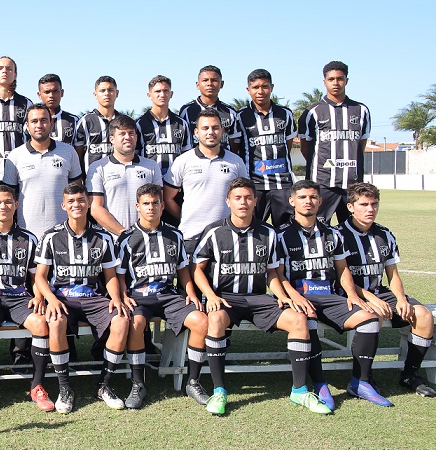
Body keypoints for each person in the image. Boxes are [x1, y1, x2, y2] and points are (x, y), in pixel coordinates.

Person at [191, 178, 331, 416]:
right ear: (228, 202)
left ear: (256, 201)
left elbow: (272, 273)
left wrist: (283, 296)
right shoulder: (214, 231)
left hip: (258, 298)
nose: (243, 202)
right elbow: (197, 269)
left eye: (247, 198)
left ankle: (299, 390)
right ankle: (219, 391)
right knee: (214, 320)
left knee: (298, 320)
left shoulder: (268, 233)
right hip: (226, 298)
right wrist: (210, 295)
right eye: (237, 198)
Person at [276, 180, 388, 408]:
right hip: (299, 297)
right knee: (308, 322)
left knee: (369, 319)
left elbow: (342, 269)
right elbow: (277, 275)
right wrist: (294, 296)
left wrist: (353, 295)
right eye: (303, 197)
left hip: (330, 296)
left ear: (320, 201)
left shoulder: (333, 234)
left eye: (313, 197)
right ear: (292, 201)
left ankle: (361, 382)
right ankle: (320, 383)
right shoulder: (280, 235)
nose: (308, 201)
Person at [33, 182, 126, 413]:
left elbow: (111, 275)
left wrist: (115, 297)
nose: (77, 205)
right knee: (55, 322)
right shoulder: (51, 236)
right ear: (64, 205)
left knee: (122, 320)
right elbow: (40, 278)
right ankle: (65, 388)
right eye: (71, 201)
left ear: (88, 203)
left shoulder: (103, 237)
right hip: (62, 298)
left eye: (81, 200)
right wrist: (51, 300)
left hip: (93, 298)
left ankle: (104, 385)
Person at [114, 184, 210, 406]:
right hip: (139, 296)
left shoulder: (174, 235)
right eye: (146, 204)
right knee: (136, 324)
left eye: (155, 203)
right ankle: (138, 385)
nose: (151, 208)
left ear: (163, 205)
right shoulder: (127, 238)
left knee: (201, 321)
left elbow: (183, 270)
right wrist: (122, 294)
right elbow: (118, 274)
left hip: (168, 295)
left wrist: (191, 293)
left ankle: (193, 382)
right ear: (137, 207)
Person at [337, 182, 436, 397]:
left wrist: (400, 298)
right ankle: (365, 376)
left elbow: (393, 274)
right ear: (351, 207)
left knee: (424, 316)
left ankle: (410, 375)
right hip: (347, 294)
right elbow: (341, 277)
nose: (370, 209)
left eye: (374, 204)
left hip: (380, 291)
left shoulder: (385, 234)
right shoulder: (337, 235)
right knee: (373, 316)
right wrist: (371, 299)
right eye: (364, 204)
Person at [0, 185, 50, 412]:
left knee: (41, 323)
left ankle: (37, 386)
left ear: (16, 205)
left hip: (19, 298)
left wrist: (39, 297)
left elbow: (37, 277)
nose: (3, 206)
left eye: (7, 202)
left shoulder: (29, 238)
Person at [163, 109, 249, 256]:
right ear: (196, 132)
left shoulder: (236, 162)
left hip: (228, 235)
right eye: (205, 128)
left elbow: (245, 196)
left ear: (222, 131)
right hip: (192, 236)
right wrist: (184, 217)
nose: (211, 132)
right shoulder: (183, 160)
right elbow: (167, 197)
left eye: (215, 128)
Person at [299, 61, 370, 224]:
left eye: (340, 79)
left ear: (346, 80)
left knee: (355, 229)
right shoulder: (312, 112)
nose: (336, 83)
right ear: (325, 82)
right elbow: (306, 148)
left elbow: (361, 144)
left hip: (352, 184)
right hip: (322, 183)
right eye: (331, 79)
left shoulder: (361, 110)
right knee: (318, 228)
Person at [2, 103, 82, 241]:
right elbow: (8, 197)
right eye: (34, 121)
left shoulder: (68, 152)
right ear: (27, 125)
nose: (39, 125)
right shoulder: (15, 156)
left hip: (63, 234)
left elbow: (77, 192)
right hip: (26, 235)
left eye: (44, 120)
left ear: (51, 123)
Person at [234, 69, 297, 226]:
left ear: (272, 87)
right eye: (255, 87)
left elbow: (287, 145)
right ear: (248, 90)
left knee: (286, 229)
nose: (260, 91)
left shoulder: (285, 114)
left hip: (282, 184)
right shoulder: (241, 116)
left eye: (265, 86)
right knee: (253, 228)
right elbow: (236, 148)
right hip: (255, 184)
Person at [87, 114, 163, 237]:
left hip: (145, 238)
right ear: (112, 138)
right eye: (122, 134)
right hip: (111, 240)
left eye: (131, 133)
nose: (127, 137)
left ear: (136, 137)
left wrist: (139, 234)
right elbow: (95, 209)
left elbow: (158, 204)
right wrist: (124, 234)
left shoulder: (151, 166)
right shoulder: (98, 167)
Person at [178, 65, 242, 157]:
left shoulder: (230, 112)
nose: (210, 84)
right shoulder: (186, 111)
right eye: (205, 80)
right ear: (197, 85)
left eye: (214, 80)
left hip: (223, 162)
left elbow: (235, 143)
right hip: (195, 164)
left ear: (222, 84)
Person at [135, 75, 191, 176]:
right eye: (157, 91)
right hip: (149, 181)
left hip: (176, 183)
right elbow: (135, 156)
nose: (162, 94)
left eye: (166, 91)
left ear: (171, 94)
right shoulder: (139, 124)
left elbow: (188, 156)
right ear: (149, 95)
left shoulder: (182, 124)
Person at [74, 76, 124, 173]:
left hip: (120, 179)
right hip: (92, 181)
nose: (107, 94)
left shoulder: (124, 121)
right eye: (102, 90)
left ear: (117, 93)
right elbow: (78, 156)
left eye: (110, 90)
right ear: (95, 94)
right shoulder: (85, 121)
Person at [35, 74, 79, 145]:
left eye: (55, 91)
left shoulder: (74, 121)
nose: (51, 95)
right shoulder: (32, 122)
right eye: (47, 92)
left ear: (62, 93)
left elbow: (79, 151)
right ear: (39, 95)